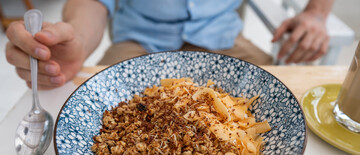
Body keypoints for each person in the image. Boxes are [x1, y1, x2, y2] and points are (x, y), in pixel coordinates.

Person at [5, 0, 334, 90]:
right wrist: (76, 36)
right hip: (139, 43)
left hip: (224, 39)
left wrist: (317, 13)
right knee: (98, 104)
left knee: (276, 100)